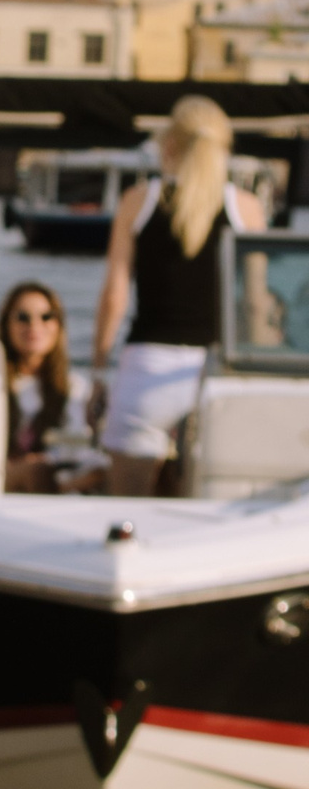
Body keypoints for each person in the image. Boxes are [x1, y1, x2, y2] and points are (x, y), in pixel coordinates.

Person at [93, 95, 264, 497]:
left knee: (127, 510)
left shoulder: (139, 201)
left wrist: (99, 372)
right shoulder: (246, 209)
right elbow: (256, 305)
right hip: (214, 373)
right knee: (208, 515)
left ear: (169, 144)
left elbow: (114, 296)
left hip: (146, 370)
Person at [0, 282, 94, 492]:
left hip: (59, 478)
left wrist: (48, 458)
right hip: (2, 478)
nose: (34, 325)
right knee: (36, 471)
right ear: (6, 325)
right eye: (23, 317)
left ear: (59, 325)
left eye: (46, 316)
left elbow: (78, 444)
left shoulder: (74, 387)